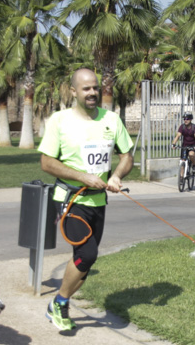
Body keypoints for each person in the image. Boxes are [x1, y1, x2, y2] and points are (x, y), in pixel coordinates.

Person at [38, 68, 134, 331]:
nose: (93, 93)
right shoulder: (59, 121)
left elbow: (127, 156)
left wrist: (115, 175)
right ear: (73, 92)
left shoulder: (112, 120)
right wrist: (83, 177)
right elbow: (46, 162)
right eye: (86, 89)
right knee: (87, 253)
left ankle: (58, 301)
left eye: (95, 88)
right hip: (70, 198)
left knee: (87, 261)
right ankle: (60, 303)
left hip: (98, 200)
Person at [170, 112, 195, 178]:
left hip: (193, 146)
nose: (185, 120)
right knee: (183, 161)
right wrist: (173, 144)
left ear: (191, 119)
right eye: (184, 118)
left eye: (187, 118)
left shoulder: (194, 127)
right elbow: (177, 136)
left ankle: (194, 165)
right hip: (184, 146)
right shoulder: (182, 127)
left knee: (191, 154)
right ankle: (181, 178)